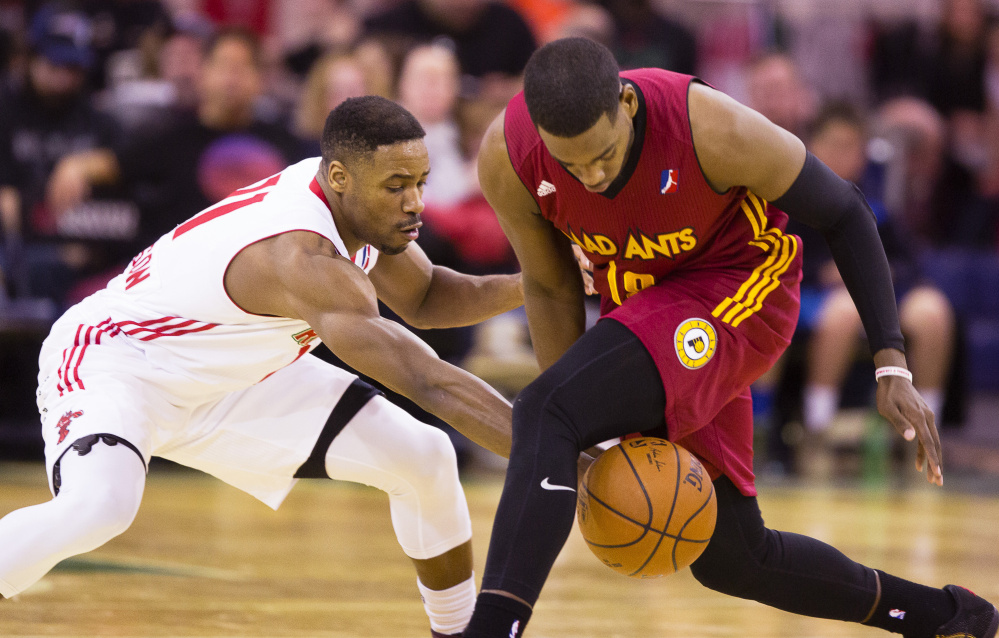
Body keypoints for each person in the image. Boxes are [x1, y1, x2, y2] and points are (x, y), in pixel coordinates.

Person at [460, 37, 997, 638]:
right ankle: (948, 617)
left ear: (626, 105)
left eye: (603, 155)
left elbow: (844, 210)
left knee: (542, 407)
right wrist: (580, 432)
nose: (593, 175)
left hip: (742, 290)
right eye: (573, 165)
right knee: (736, 559)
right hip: (646, 310)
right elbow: (552, 286)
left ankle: (492, 628)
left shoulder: (707, 127)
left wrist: (890, 361)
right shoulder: (510, 159)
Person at [0, 96, 521, 638]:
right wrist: (567, 467)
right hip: (119, 362)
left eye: (421, 181)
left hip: (232, 378)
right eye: (397, 186)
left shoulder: (358, 202)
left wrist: (538, 285)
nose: (414, 201)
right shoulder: (299, 254)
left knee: (423, 456)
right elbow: (426, 380)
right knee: (98, 507)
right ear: (341, 177)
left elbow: (429, 296)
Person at [791, 103, 955, 473]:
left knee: (932, 311)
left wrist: (887, 276)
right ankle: (817, 429)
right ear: (813, 144)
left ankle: (926, 429)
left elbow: (908, 259)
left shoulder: (873, 200)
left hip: (875, 296)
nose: (843, 154)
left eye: (852, 146)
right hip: (816, 296)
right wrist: (822, 273)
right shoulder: (793, 195)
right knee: (843, 311)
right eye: (834, 143)